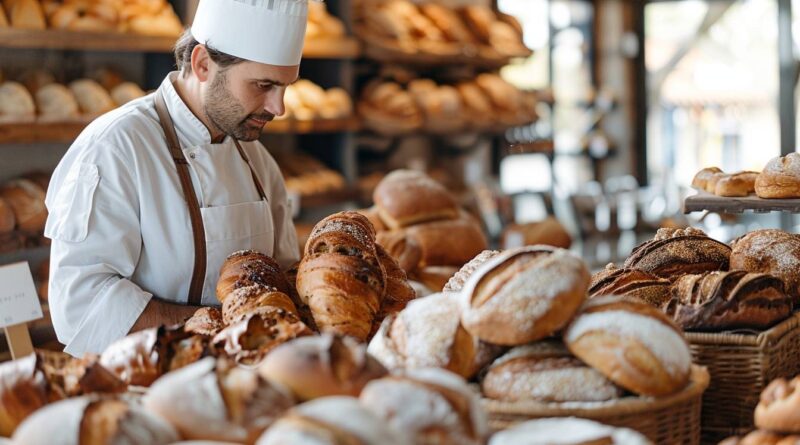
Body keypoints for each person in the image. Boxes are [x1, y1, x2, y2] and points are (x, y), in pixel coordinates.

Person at [44, 0, 309, 356]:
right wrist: (214, 327)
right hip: (142, 387)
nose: (279, 107)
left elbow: (285, 274)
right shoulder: (116, 146)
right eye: (263, 85)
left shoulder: (257, 158)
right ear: (202, 65)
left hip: (242, 384)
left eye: (285, 87)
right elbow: (81, 304)